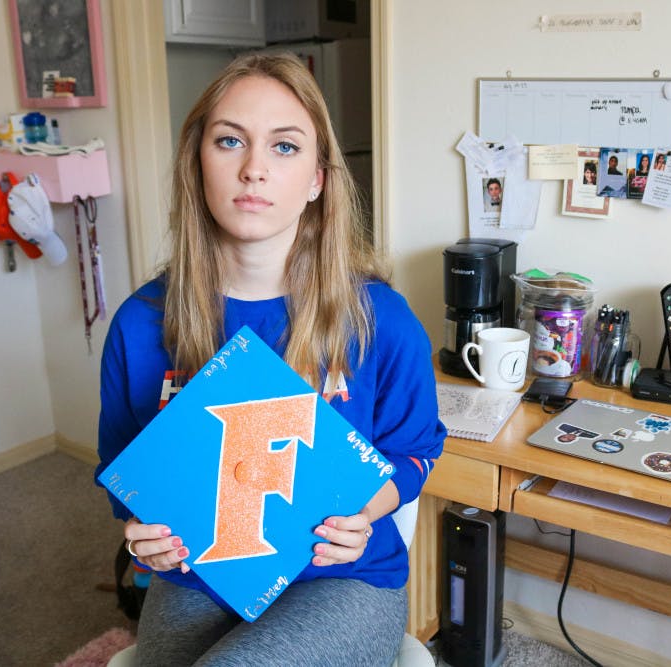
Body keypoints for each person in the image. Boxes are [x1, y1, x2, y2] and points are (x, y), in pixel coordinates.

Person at [96, 52, 446, 666]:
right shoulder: (139, 324)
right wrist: (143, 530)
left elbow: (416, 450)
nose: (253, 168)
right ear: (197, 162)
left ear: (317, 179)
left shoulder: (381, 320)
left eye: (284, 147)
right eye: (230, 141)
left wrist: (368, 510)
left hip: (342, 573)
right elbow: (124, 471)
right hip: (197, 575)